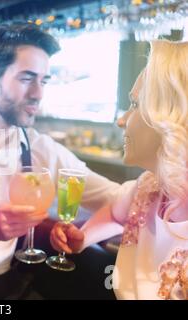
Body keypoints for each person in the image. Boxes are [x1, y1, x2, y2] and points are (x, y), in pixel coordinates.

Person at [0, 22, 124, 299]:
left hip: (12, 284)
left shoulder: (42, 148)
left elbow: (118, 200)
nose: (38, 93)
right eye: (26, 78)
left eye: (43, 80)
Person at [50, 40, 188, 300]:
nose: (121, 120)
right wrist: (83, 237)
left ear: (172, 116)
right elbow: (116, 215)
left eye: (135, 105)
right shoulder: (148, 187)